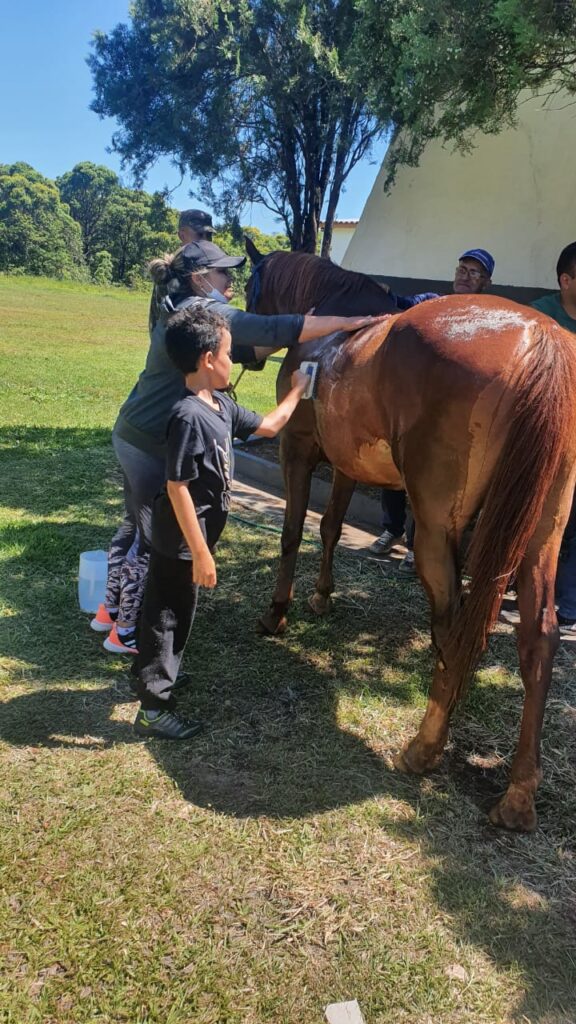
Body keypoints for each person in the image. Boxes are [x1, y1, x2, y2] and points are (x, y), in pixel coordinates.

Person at [92, 239, 386, 655]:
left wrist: (303, 343)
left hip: (136, 431)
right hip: (150, 444)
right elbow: (271, 331)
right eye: (224, 273)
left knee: (136, 527)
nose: (231, 281)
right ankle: (125, 631)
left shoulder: (181, 309)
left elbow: (255, 349)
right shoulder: (206, 312)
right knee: (155, 541)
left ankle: (108, 611)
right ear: (200, 279)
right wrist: (347, 321)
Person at [132, 306, 309, 739]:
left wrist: (298, 391)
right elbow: (177, 488)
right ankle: (153, 707)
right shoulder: (188, 416)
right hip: (180, 539)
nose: (236, 360)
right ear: (209, 360)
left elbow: (268, 426)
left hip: (191, 539)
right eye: (230, 353)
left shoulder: (220, 405)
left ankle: (156, 674)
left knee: (173, 609)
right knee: (169, 615)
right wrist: (200, 553)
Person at [369, 248, 495, 571]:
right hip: (414, 402)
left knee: (428, 479)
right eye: (462, 268)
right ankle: (391, 529)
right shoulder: (432, 301)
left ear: (486, 283)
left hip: (451, 411)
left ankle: (415, 546)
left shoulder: (488, 318)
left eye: (474, 272)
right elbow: (402, 303)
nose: (464, 275)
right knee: (396, 467)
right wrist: (386, 294)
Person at [531, 242, 576, 636]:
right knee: (531, 517)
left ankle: (568, 601)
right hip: (542, 438)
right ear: (566, 280)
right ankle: (520, 589)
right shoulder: (539, 317)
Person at [149, 208, 215, 331]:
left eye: (209, 235)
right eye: (200, 234)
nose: (206, 240)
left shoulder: (210, 267)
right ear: (182, 235)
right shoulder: (174, 270)